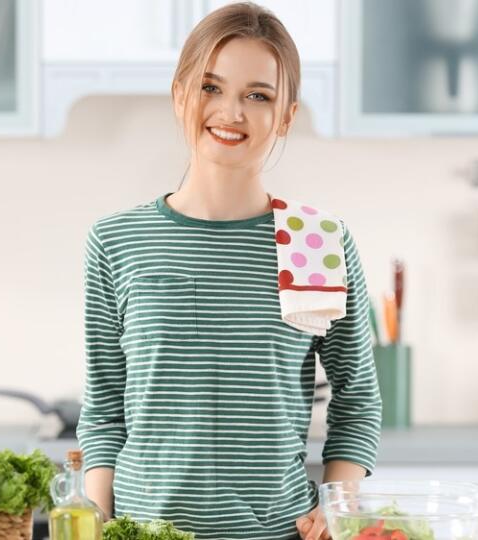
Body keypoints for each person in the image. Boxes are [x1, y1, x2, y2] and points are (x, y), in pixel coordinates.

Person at [77, 3, 382, 539]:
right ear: (179, 95)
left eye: (258, 95)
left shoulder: (319, 242)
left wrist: (339, 503)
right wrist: (96, 524)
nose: (231, 112)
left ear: (286, 115)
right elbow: (104, 408)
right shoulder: (116, 241)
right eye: (210, 88)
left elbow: (356, 401)